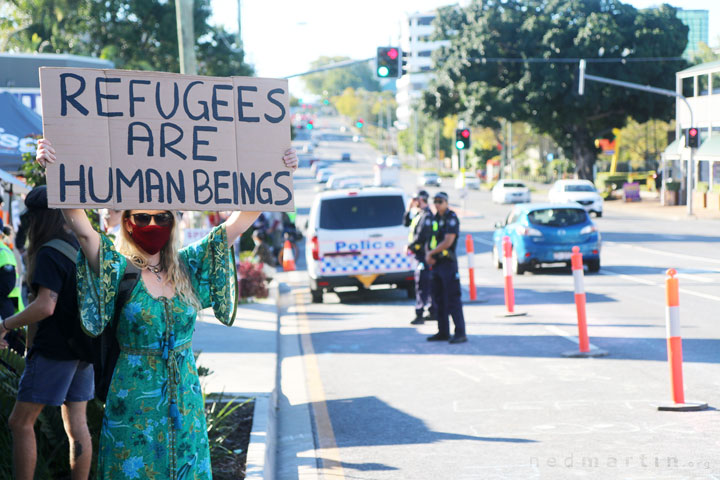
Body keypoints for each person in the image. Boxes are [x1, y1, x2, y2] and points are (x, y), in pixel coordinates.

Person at [35, 138, 297, 479]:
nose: (153, 224)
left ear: (174, 221)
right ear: (127, 221)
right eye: (142, 217)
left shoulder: (189, 265)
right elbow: (84, 232)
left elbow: (238, 223)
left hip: (184, 397)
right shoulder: (117, 268)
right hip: (133, 401)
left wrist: (278, 168)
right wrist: (55, 170)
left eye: (162, 217)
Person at [0, 185, 94, 480]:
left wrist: (4, 325)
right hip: (83, 346)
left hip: (55, 349)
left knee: (20, 422)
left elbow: (45, 306)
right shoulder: (78, 245)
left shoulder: (49, 252)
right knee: (76, 424)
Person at [425, 192, 467, 344]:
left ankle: (460, 332)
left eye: (440, 201)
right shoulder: (435, 218)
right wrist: (428, 256)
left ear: (446, 202)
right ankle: (443, 332)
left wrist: (431, 253)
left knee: (453, 300)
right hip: (436, 264)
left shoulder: (451, 218)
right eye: (435, 201)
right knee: (439, 300)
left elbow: (448, 241)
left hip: (447, 264)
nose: (437, 204)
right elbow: (430, 239)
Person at [403, 190, 435, 325]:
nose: (413, 201)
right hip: (419, 255)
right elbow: (405, 222)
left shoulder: (427, 216)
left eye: (415, 199)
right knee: (426, 284)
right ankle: (433, 311)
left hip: (424, 255)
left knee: (421, 285)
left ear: (421, 200)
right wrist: (408, 208)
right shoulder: (418, 214)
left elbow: (421, 237)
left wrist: (409, 246)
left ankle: (420, 313)